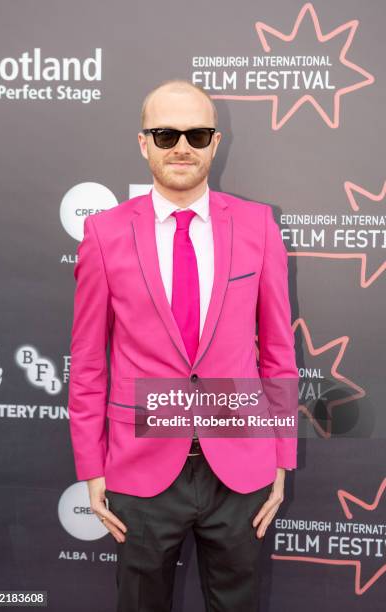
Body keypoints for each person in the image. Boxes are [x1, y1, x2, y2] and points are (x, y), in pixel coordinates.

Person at [68, 78, 298, 612]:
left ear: (216, 143)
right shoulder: (104, 234)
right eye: (166, 133)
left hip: (240, 472)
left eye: (197, 134)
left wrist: (281, 456)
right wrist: (92, 467)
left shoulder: (257, 226)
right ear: (144, 142)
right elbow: (86, 364)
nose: (182, 147)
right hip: (140, 469)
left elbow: (279, 354)